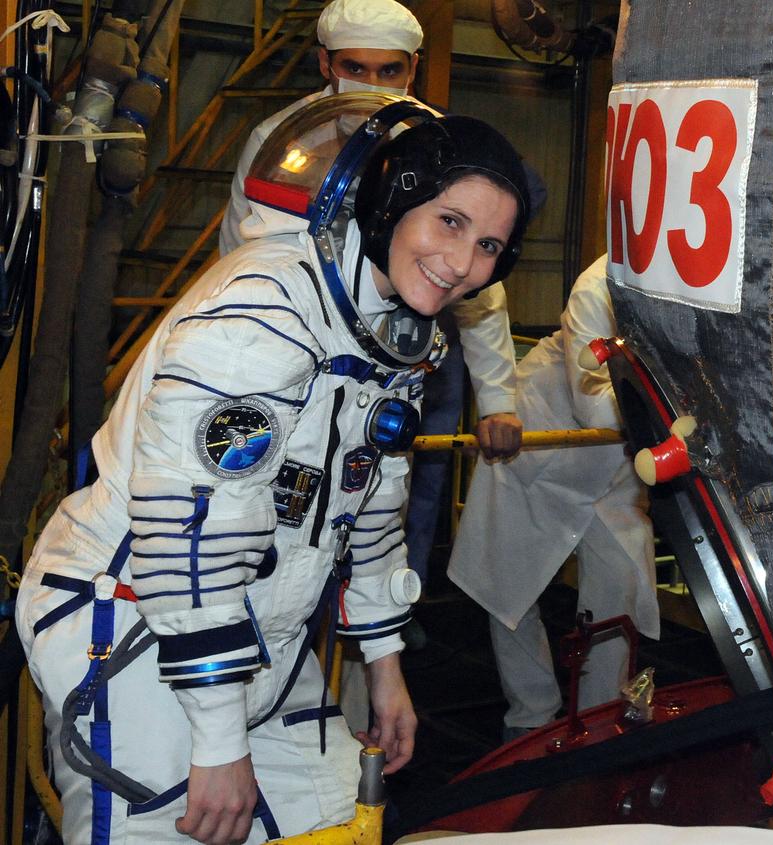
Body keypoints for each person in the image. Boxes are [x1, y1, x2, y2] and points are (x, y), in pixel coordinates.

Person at [16, 96, 531, 844]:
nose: (461, 264)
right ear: (390, 203)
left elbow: (372, 501)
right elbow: (189, 537)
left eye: (489, 245)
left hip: (259, 635)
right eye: (449, 221)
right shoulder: (262, 314)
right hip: (137, 620)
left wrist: (384, 664)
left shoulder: (395, 330)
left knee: (338, 823)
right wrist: (220, 743)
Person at [218, 0, 525, 582]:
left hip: (389, 374)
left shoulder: (440, 147)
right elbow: (240, 253)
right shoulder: (280, 145)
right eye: (355, 69)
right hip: (291, 371)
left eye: (391, 71)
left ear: (413, 68)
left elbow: (477, 287)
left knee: (373, 522)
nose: (373, 86)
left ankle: (370, 652)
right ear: (323, 63)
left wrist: (500, 401)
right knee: (268, 530)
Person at [448, 255, 660, 739]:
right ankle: (530, 720)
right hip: (544, 438)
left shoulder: (693, 281)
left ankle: (603, 718)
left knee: (617, 585)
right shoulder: (597, 284)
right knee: (510, 588)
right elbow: (595, 407)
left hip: (617, 460)